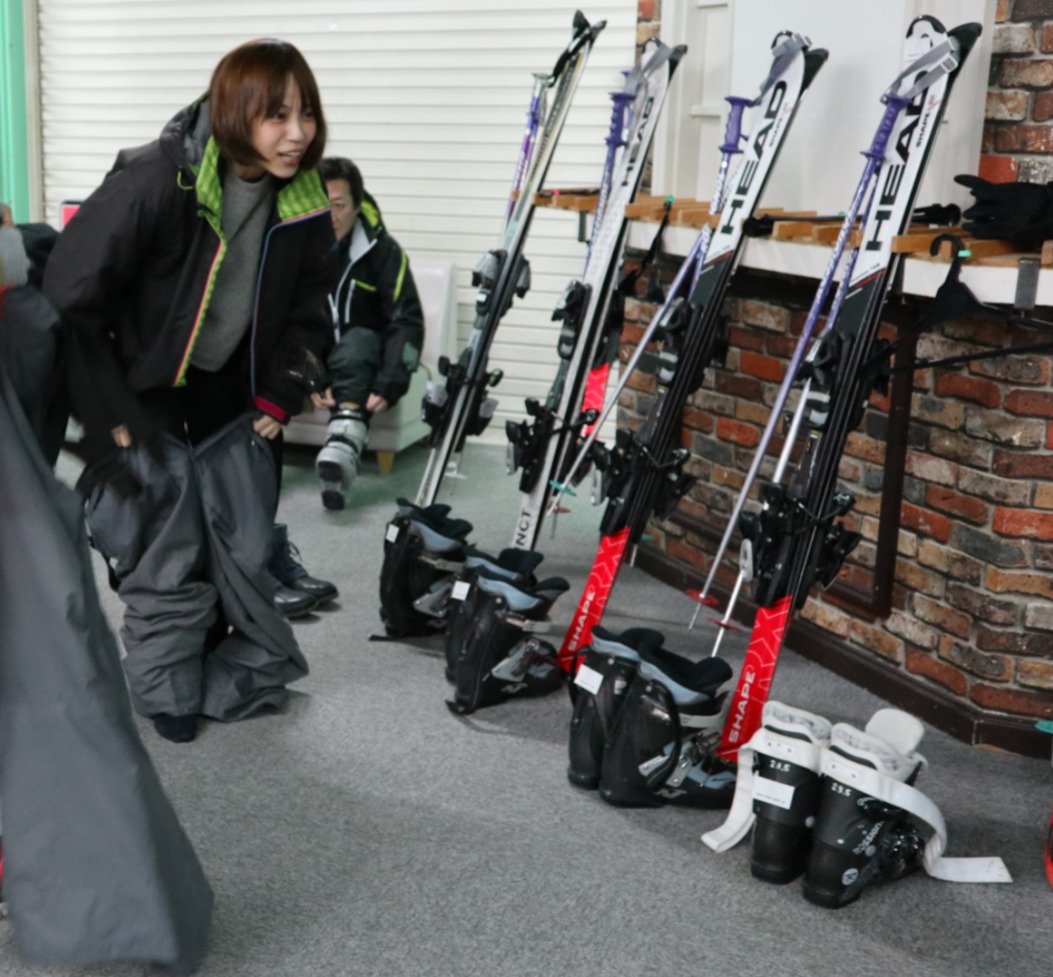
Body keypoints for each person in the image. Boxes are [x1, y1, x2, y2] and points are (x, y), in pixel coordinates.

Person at [44, 38, 338, 743]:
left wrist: (280, 394)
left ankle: (207, 660)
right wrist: (105, 414)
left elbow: (309, 307)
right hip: (136, 383)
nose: (295, 133)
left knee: (233, 537)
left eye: (304, 114)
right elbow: (69, 296)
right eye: (275, 115)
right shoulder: (154, 180)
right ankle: (166, 685)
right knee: (159, 541)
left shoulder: (301, 197)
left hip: (227, 384)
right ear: (232, 113)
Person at [311, 156, 424, 509]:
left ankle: (342, 451)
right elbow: (288, 323)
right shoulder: (299, 251)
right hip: (318, 358)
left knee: (357, 341)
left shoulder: (384, 252)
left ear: (358, 205)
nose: (330, 215)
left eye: (338, 205)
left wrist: (392, 380)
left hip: (365, 358)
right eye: (321, 205)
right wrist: (309, 376)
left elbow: (407, 321)